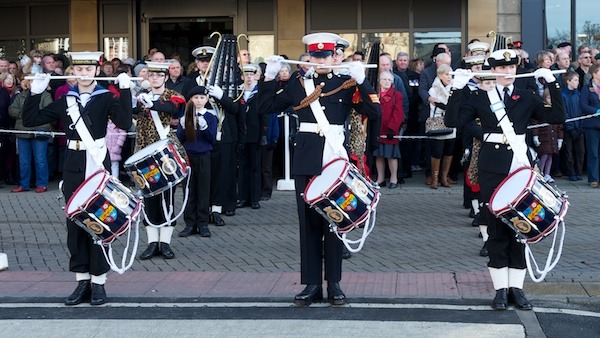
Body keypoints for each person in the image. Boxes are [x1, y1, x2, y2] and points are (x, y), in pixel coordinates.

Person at [259, 32, 380, 306]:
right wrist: (269, 77)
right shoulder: (298, 84)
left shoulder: (346, 83)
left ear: (334, 57)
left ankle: (334, 283)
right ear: (309, 58)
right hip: (307, 158)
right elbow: (263, 107)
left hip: (335, 158)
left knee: (336, 222)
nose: (321, 61)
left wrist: (363, 81)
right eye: (315, 56)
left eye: (325, 56)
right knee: (309, 222)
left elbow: (375, 113)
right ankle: (312, 284)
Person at [454, 49, 565, 311]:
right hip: (492, 169)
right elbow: (455, 120)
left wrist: (552, 83)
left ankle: (517, 289)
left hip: (519, 167)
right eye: (502, 69)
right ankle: (500, 291)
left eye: (511, 68)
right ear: (493, 70)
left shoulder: (526, 96)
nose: (507, 73)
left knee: (520, 229)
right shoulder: (480, 96)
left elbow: (556, 117)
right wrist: (456, 90)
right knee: (496, 229)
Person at [22, 51, 133, 306]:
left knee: (99, 224)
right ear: (73, 71)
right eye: (79, 70)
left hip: (97, 163)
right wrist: (35, 94)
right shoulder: (65, 99)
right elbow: (31, 119)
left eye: (88, 69)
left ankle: (99, 284)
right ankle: (81, 281)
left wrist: (125, 92)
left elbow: (124, 122)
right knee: (75, 225)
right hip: (73, 165)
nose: (83, 74)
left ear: (96, 70)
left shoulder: (106, 98)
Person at [135, 61, 187, 260]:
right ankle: (151, 242)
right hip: (143, 153)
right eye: (152, 75)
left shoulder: (174, 95)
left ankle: (165, 243)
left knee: (167, 199)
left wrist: (152, 104)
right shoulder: (140, 97)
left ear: (166, 77)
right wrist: (126, 94)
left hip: (165, 154)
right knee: (149, 199)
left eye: (159, 75)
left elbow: (172, 108)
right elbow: (126, 112)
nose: (154, 78)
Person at [177, 86, 218, 237]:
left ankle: (203, 223)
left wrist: (205, 128)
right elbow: (180, 140)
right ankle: (190, 223)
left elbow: (212, 140)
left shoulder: (210, 117)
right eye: (195, 98)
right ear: (190, 100)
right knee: (189, 190)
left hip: (204, 156)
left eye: (202, 98)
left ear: (206, 100)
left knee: (203, 190)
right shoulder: (187, 116)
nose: (199, 101)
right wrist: (182, 127)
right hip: (188, 157)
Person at [8, 74, 53, 193]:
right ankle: (24, 184)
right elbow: (11, 109)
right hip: (23, 131)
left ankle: (42, 184)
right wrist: (26, 115)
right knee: (23, 160)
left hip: (39, 131)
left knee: (40, 159)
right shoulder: (21, 96)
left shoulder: (46, 96)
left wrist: (30, 115)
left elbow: (47, 111)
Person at [373, 71, 404, 188]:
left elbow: (398, 113)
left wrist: (392, 128)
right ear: (380, 81)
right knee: (379, 155)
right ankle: (380, 179)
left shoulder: (397, 95)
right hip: (378, 130)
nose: (386, 82)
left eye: (389, 80)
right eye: (384, 79)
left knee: (391, 156)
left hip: (390, 130)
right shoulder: (375, 95)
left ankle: (394, 179)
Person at [427, 64, 455, 189]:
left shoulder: (454, 88)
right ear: (439, 75)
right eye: (446, 74)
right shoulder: (433, 89)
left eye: (450, 74)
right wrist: (447, 107)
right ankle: (435, 178)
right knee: (437, 151)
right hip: (438, 121)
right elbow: (436, 106)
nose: (449, 77)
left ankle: (444, 177)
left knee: (449, 150)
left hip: (452, 121)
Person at [531, 89, 564, 183]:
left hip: (553, 137)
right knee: (544, 155)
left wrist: (560, 139)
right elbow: (535, 123)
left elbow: (560, 127)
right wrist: (535, 136)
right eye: (549, 98)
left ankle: (547, 173)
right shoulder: (541, 109)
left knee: (550, 156)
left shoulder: (556, 110)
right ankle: (540, 173)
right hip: (544, 137)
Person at [561, 72, 585, 182]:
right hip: (568, 129)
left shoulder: (579, 95)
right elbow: (564, 113)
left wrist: (580, 127)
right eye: (575, 80)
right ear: (568, 81)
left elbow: (582, 111)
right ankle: (571, 172)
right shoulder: (563, 96)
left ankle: (579, 172)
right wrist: (570, 128)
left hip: (579, 127)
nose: (577, 82)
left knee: (580, 151)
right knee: (569, 152)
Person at [579, 64, 600, 188]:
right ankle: (593, 178)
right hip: (591, 125)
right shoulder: (587, 88)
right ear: (594, 74)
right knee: (593, 153)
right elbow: (583, 105)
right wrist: (595, 111)